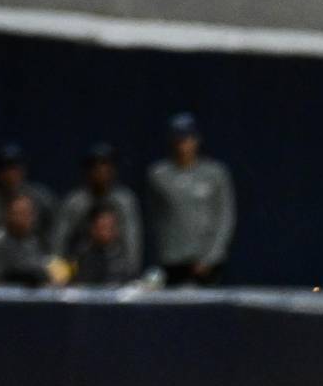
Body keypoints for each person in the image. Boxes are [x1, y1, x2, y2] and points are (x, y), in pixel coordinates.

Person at [147, 113, 235, 287]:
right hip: (172, 261)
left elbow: (225, 217)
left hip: (207, 262)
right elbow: (155, 218)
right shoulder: (158, 174)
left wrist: (210, 257)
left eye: (187, 138)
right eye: (178, 139)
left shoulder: (215, 174)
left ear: (196, 140)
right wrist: (163, 255)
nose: (183, 145)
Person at [54, 143, 144, 277]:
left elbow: (132, 239)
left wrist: (132, 272)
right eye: (95, 167)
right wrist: (58, 272)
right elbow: (60, 239)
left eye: (105, 166)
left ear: (113, 169)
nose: (100, 171)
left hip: (116, 265)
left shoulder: (125, 200)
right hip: (81, 265)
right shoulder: (75, 202)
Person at [0, 143, 57, 252]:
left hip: (37, 256)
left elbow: (56, 233)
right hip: (0, 257)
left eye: (14, 168)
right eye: (5, 169)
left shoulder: (41, 198)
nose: (10, 174)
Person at [0, 193, 60, 287]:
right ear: (7, 215)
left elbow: (42, 273)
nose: (25, 218)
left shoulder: (35, 241)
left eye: (28, 213)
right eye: (19, 214)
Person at [68, 201, 140, 285]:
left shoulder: (124, 257)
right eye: (103, 227)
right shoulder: (81, 255)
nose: (107, 232)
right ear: (93, 228)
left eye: (111, 227)